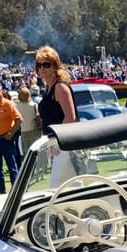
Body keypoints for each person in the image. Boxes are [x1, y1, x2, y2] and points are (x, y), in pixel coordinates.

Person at [34, 46, 79, 188]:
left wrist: (58, 143)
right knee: (72, 186)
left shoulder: (59, 87)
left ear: (55, 66)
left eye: (46, 64)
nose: (42, 68)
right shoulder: (49, 88)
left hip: (64, 145)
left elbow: (70, 118)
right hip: (57, 145)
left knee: (56, 188)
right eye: (39, 65)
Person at [0, 83, 22, 193]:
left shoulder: (8, 104)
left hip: (6, 139)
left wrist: (11, 133)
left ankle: (15, 190)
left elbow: (19, 120)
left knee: (12, 166)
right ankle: (1, 190)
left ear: (1, 92)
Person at [14, 86, 40, 157]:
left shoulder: (16, 107)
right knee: (37, 152)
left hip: (23, 131)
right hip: (34, 130)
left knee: (27, 154)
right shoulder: (34, 105)